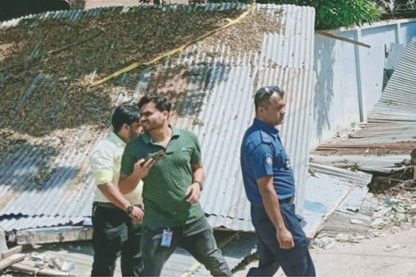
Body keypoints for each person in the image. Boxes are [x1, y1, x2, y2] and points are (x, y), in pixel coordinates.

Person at [119, 95, 231, 277]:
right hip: (158, 225)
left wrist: (196, 184)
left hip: (193, 220)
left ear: (164, 114)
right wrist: (137, 175)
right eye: (141, 114)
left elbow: (199, 168)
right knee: (148, 273)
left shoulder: (187, 138)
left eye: (148, 113)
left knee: (218, 265)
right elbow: (122, 188)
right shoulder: (134, 148)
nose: (142, 118)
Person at [241, 86, 316, 276]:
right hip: (275, 213)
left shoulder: (267, 133)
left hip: (269, 212)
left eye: (283, 106)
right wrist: (281, 228)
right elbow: (266, 189)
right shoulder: (261, 143)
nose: (283, 112)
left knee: (268, 265)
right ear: (261, 110)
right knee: (301, 265)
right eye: (277, 108)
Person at [90, 104, 145, 277]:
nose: (142, 130)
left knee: (135, 261)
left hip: (137, 211)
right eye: (138, 126)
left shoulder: (136, 148)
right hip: (110, 213)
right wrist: (128, 207)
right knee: (105, 263)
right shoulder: (105, 149)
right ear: (125, 127)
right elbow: (104, 184)